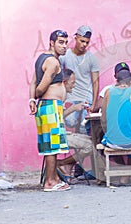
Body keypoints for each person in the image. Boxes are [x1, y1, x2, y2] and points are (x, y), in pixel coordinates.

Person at [29, 30, 70, 192]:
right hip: (50, 106)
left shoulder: (41, 59)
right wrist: (37, 95)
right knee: (53, 147)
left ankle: (52, 179)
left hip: (47, 107)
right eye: (61, 42)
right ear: (52, 43)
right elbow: (39, 88)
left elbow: (32, 82)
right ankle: (50, 182)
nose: (64, 46)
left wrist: (32, 100)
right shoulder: (53, 62)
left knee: (50, 146)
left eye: (66, 42)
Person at [101, 69, 131, 183]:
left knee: (107, 137)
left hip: (111, 142)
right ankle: (129, 171)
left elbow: (103, 118)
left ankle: (124, 171)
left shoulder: (108, 92)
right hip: (130, 142)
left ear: (116, 80)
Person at [59, 25, 99, 135]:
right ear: (75, 38)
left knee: (84, 129)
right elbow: (60, 78)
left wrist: (94, 104)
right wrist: (61, 98)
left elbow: (96, 82)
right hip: (70, 97)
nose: (84, 44)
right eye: (82, 41)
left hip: (87, 98)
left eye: (87, 42)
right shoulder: (65, 55)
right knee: (70, 122)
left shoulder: (92, 58)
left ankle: (84, 151)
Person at [56, 69, 94, 184]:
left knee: (92, 141)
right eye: (72, 82)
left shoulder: (60, 94)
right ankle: (62, 163)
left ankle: (66, 165)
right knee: (91, 146)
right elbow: (57, 118)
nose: (74, 85)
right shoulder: (58, 96)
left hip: (61, 132)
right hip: (57, 136)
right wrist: (73, 108)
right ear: (64, 82)